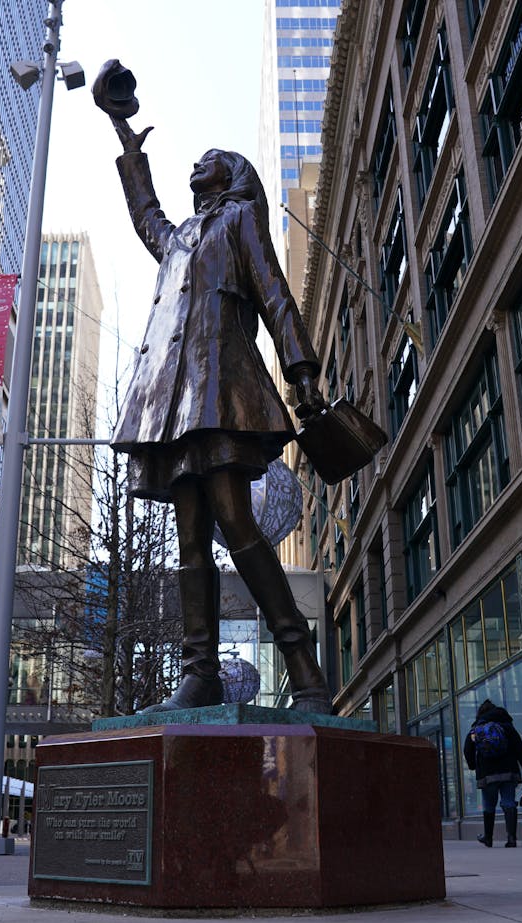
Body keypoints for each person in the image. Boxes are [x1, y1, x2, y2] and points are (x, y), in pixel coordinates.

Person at [96, 62, 331, 714]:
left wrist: (301, 371)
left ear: (229, 176)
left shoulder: (239, 222)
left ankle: (305, 670)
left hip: (223, 392)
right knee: (190, 533)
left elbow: (276, 296)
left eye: (207, 161)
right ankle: (197, 673)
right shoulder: (180, 239)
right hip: (175, 400)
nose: (194, 167)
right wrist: (124, 135)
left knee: (234, 518)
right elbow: (148, 217)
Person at [463, 699, 522, 847]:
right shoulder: (507, 726)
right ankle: (512, 838)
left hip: (487, 774)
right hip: (508, 771)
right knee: (509, 802)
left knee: (489, 805)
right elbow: (519, 747)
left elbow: (467, 748)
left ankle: (488, 838)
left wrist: (472, 766)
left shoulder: (477, 728)